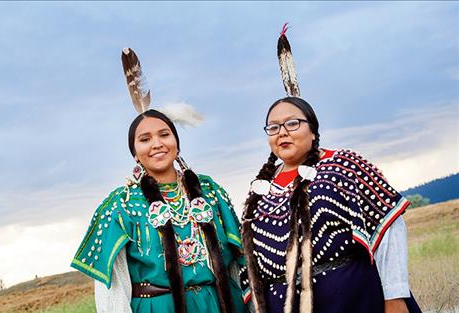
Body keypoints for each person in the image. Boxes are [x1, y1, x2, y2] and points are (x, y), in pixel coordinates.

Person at [240, 25, 422, 313]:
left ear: (313, 130)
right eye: (273, 127)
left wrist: (394, 295)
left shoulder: (342, 164)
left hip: (349, 297)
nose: (282, 132)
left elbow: (388, 226)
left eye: (292, 123)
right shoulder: (259, 191)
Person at [71, 48, 246, 313]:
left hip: (220, 303)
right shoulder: (120, 204)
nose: (157, 144)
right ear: (135, 153)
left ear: (176, 141)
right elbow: (113, 287)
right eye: (144, 139)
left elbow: (235, 263)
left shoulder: (210, 191)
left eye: (164, 134)